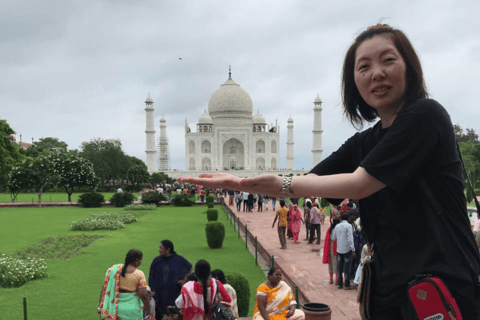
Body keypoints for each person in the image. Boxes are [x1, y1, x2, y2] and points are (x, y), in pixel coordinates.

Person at [177, 24, 480, 318]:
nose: (376, 73)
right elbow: (305, 183)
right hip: (389, 292)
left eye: (388, 60)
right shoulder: (366, 142)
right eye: (363, 67)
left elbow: (357, 185)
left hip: (441, 291)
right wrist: (240, 183)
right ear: (354, 82)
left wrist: (270, 183)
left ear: (410, 67)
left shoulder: (426, 116)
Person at [98, 249, 152, 320]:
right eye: (140, 260)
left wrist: (100, 306)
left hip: (115, 310)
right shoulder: (139, 274)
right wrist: (148, 310)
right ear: (136, 260)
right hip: (132, 310)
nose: (140, 262)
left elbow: (104, 289)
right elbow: (143, 295)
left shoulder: (114, 270)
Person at [149, 240, 193, 319]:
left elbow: (190, 267)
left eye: (161, 248)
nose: (159, 249)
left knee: (172, 312)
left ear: (168, 249)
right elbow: (151, 276)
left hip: (173, 292)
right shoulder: (157, 260)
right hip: (159, 293)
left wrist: (184, 280)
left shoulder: (178, 259)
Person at [331, 213, 355, 290]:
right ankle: (347, 284)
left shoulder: (337, 226)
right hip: (347, 249)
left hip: (339, 249)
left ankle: (340, 283)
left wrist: (340, 239)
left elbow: (333, 237)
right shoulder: (349, 226)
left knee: (340, 267)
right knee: (347, 268)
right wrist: (353, 249)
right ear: (348, 218)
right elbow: (350, 238)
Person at [323, 218, 340, 285]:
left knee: (330, 263)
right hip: (335, 247)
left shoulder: (330, 229)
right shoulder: (337, 229)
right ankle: (336, 279)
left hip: (330, 247)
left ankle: (331, 279)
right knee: (336, 263)